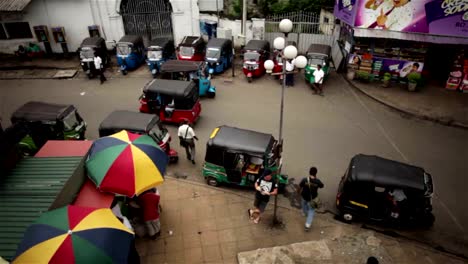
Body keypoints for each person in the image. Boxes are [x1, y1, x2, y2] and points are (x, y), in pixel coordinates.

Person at [298, 167, 324, 231]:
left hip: (304, 197)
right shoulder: (317, 181)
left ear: (309, 172)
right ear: (316, 173)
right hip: (312, 200)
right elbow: (322, 186)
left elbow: (300, 187)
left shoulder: (304, 180)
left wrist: (298, 192)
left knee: (304, 208)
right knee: (311, 211)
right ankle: (307, 225)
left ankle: (306, 214)